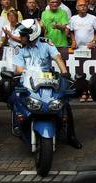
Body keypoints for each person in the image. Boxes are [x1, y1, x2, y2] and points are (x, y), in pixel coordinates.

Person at [13, 19, 82, 148]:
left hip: (47, 79)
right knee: (15, 98)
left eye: (23, 35)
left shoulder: (46, 44)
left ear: (32, 34)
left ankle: (71, 136)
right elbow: (19, 69)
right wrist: (27, 73)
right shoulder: (19, 49)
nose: (20, 37)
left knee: (65, 104)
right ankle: (18, 126)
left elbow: (58, 58)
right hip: (28, 81)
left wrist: (65, 73)